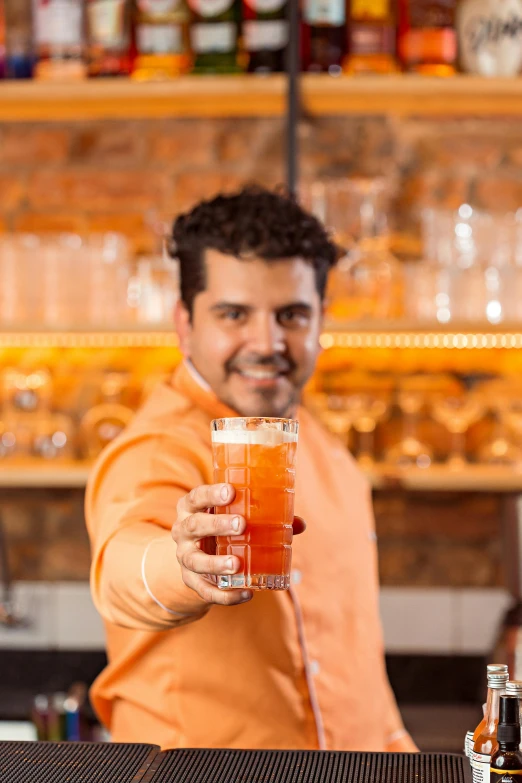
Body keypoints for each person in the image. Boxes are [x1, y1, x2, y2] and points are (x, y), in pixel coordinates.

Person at [85, 186, 416, 753]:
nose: (266, 344)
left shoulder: (319, 445)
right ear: (185, 324)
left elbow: (355, 663)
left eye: (291, 314)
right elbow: (124, 562)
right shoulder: (157, 448)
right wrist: (183, 566)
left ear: (321, 321)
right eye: (233, 314)